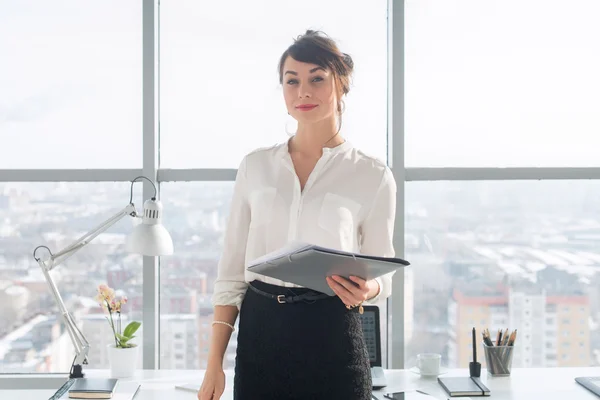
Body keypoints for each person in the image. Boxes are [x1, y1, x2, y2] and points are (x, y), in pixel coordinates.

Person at [198, 30, 397, 400]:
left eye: (316, 78)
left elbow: (383, 275)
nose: (303, 91)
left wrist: (366, 288)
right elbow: (230, 277)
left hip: (334, 335)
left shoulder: (372, 175)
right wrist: (215, 365)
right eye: (292, 81)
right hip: (262, 336)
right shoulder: (254, 167)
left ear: (341, 83)